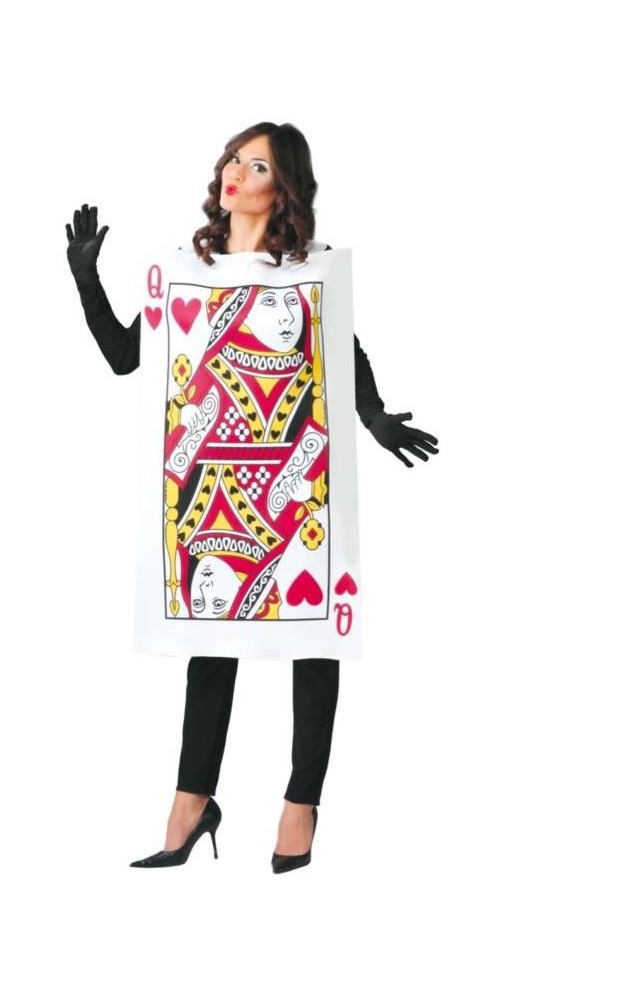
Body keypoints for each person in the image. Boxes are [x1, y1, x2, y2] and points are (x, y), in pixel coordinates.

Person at [65, 122, 439, 872]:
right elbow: (125, 358)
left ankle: (301, 805)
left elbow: (343, 349)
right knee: (211, 641)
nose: (236, 172)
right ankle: (190, 805)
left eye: (258, 165)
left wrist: (371, 415)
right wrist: (84, 278)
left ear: (284, 186)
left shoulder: (309, 270)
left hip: (296, 475)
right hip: (212, 480)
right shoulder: (187, 272)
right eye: (234, 159)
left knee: (314, 638)